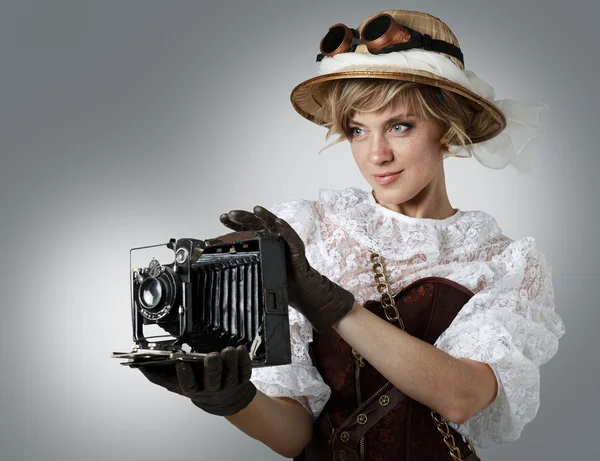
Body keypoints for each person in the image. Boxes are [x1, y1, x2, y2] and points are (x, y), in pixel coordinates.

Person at [137, 9, 565, 460]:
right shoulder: (311, 234)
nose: (376, 154)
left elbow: (462, 398)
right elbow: (297, 434)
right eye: (358, 131)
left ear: (446, 125)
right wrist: (232, 401)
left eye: (400, 126)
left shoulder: (506, 263)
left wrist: (334, 305)